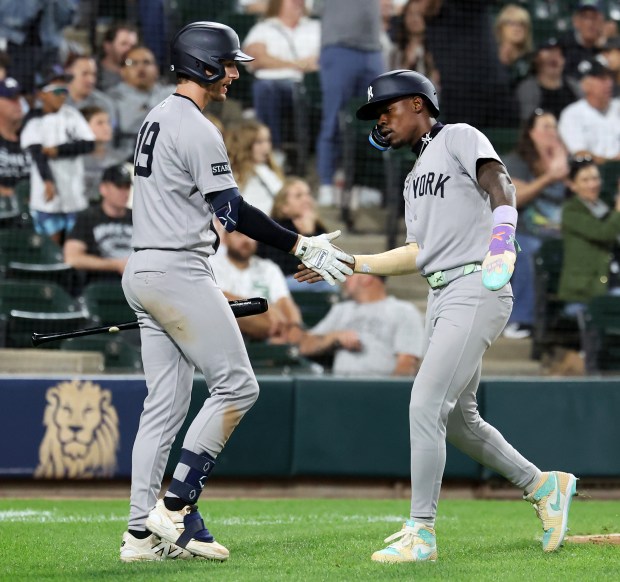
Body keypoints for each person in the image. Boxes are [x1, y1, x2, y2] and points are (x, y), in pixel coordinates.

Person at [296, 69, 577, 561]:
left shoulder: (458, 137)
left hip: (477, 284)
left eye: (388, 110)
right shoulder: (411, 178)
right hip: (441, 294)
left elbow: (500, 182)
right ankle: (544, 485)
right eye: (377, 115)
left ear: (419, 105)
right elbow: (417, 253)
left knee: (426, 404)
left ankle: (421, 531)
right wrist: (352, 263)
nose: (382, 121)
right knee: (461, 421)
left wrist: (502, 235)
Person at [119, 21, 352, 563]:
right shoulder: (197, 126)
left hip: (145, 269)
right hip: (178, 269)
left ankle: (138, 537)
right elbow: (232, 211)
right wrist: (298, 243)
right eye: (226, 64)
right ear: (202, 64)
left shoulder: (156, 117)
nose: (232, 74)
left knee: (165, 405)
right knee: (238, 387)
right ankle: (173, 508)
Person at [502, 109, 570, 339]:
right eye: (545, 127)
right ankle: (521, 319)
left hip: (562, 233)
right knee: (529, 252)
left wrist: (568, 173)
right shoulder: (517, 161)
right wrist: (550, 177)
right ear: (531, 133)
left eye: (554, 127)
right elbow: (516, 197)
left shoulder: (566, 163)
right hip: (523, 232)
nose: (552, 132)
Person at [314, 0, 386, 206]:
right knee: (333, 118)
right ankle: (326, 183)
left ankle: (367, 184)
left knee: (377, 119)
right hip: (338, 48)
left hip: (372, 50)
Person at [20, 65, 96, 244]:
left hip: (73, 192)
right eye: (57, 90)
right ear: (41, 94)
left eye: (65, 90)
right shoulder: (33, 120)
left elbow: (88, 144)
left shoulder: (72, 115)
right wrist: (48, 181)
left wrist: (58, 150)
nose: (63, 95)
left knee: (74, 243)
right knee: (50, 244)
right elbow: (38, 154)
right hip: (47, 195)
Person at [558, 156, 620, 372]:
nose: (592, 184)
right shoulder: (571, 210)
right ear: (573, 185)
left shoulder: (604, 207)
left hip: (611, 285)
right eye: (585, 180)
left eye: (595, 178)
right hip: (585, 291)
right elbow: (603, 232)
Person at [299, 273, 424, 376]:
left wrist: (387, 397)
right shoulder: (341, 310)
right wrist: (335, 337)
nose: (344, 280)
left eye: (349, 274)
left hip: (377, 393)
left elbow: (406, 365)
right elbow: (304, 346)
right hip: (338, 392)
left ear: (366, 277)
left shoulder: (404, 311)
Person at [242, 0, 320, 154]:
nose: (299, 2)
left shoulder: (316, 27)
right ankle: (273, 152)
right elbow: (256, 58)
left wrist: (277, 62)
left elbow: (327, 58)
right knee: (264, 88)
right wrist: (299, 64)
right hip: (273, 84)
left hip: (308, 87)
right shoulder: (263, 28)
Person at [211, 229, 304, 344]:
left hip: (272, 338)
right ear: (225, 238)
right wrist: (261, 307)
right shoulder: (211, 265)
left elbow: (285, 302)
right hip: (223, 337)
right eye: (239, 235)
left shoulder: (269, 268)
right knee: (228, 310)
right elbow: (214, 297)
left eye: (251, 235)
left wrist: (294, 327)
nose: (246, 240)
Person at [63, 164, 133, 293]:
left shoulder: (138, 217)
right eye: (119, 187)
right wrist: (115, 265)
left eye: (127, 187)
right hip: (100, 287)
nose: (125, 193)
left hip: (136, 288)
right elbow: (72, 258)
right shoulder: (88, 217)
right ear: (103, 189)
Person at [256, 176, 332, 291]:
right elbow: (283, 268)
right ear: (284, 207)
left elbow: (326, 266)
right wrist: (307, 235)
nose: (306, 199)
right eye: (299, 196)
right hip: (277, 283)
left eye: (308, 194)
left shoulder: (318, 228)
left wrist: (311, 233)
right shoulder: (274, 228)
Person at [107, 45, 177, 162]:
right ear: (123, 71)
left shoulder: (172, 93)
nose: (141, 68)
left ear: (156, 69)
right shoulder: (112, 98)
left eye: (147, 62)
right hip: (129, 160)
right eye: (133, 63)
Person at [558, 55, 620, 164]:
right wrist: (612, 163)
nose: (609, 83)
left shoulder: (617, 106)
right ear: (584, 85)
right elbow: (579, 154)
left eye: (609, 77)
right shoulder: (572, 114)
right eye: (601, 79)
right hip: (592, 174)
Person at [224, 119, 285, 215]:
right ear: (244, 144)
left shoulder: (268, 169)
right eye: (259, 142)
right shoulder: (232, 175)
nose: (266, 147)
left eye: (268, 140)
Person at [516, 37, 582, 123]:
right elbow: (528, 124)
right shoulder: (528, 88)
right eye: (549, 51)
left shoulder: (573, 86)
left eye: (559, 53)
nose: (554, 56)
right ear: (536, 58)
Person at [80, 105, 127, 203]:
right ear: (83, 126)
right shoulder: (74, 159)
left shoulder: (117, 159)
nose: (107, 127)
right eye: (100, 123)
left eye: (108, 123)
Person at [0, 77, 30, 222]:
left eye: (19, 97)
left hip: (34, 214)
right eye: (12, 99)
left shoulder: (32, 138)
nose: (18, 103)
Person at [389, 0, 438, 87]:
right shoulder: (396, 50)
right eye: (410, 13)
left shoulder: (436, 50)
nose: (414, 18)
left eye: (419, 14)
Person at [558, 0, 607, 80]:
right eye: (586, 17)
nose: (591, 23)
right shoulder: (563, 47)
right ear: (576, 21)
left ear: (602, 21)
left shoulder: (609, 48)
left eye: (594, 17)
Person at [493, 4, 534, 90]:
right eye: (511, 23)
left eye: (522, 24)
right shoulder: (491, 55)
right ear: (501, 28)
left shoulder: (532, 59)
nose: (517, 28)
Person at [96, 21, 139, 92]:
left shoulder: (140, 71)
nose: (129, 49)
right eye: (123, 44)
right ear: (108, 46)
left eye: (133, 46)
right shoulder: (93, 72)